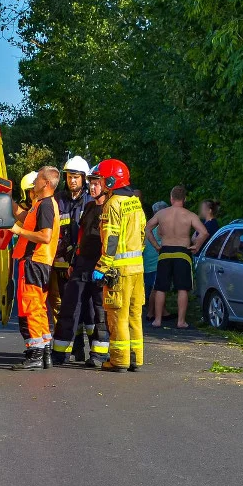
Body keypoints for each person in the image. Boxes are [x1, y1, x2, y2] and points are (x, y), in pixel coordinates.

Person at [92, 159, 147, 372]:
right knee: (135, 316)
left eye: (104, 179)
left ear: (112, 180)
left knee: (117, 316)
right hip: (137, 269)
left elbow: (111, 239)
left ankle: (119, 360)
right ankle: (136, 359)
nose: (102, 183)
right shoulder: (135, 201)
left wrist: (102, 267)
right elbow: (142, 234)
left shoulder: (113, 203)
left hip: (119, 271)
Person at [51, 170, 110, 366]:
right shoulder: (90, 207)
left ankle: (99, 354)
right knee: (70, 306)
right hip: (82, 263)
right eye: (91, 183)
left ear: (106, 186)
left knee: (98, 312)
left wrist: (105, 266)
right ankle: (60, 353)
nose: (92, 187)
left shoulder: (111, 209)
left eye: (97, 184)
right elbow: (80, 237)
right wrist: (73, 262)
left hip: (101, 266)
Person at [10, 166, 61, 370]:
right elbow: (25, 217)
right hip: (39, 262)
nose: (35, 182)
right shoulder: (41, 204)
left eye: (38, 179)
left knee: (30, 308)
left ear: (46, 184)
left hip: (35, 261)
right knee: (38, 309)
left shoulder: (46, 205)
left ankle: (35, 355)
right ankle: (44, 352)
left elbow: (45, 236)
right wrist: (6, 200)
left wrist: (17, 231)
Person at [147, 186, 209, 329]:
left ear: (171, 198)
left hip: (165, 251)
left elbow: (147, 228)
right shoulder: (190, 215)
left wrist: (156, 245)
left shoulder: (162, 214)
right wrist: (197, 246)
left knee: (161, 288)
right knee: (182, 288)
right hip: (182, 252)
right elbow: (204, 232)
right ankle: (181, 321)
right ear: (184, 199)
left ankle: (157, 320)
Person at [50, 157, 92, 337]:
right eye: (69, 177)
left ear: (84, 178)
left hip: (85, 262)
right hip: (63, 264)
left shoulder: (91, 200)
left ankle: (93, 347)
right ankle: (73, 346)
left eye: (76, 177)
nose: (72, 181)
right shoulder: (58, 199)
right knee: (66, 306)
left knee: (88, 308)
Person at [142, 201, 167, 322]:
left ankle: (163, 311)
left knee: (156, 288)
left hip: (148, 263)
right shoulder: (160, 226)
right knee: (156, 288)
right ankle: (151, 313)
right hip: (156, 262)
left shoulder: (149, 225)